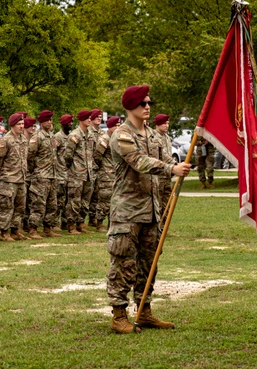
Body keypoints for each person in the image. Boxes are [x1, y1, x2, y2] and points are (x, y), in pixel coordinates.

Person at [106, 86, 192, 334]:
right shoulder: (121, 135)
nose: (147, 106)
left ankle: (144, 311)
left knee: (149, 264)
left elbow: (165, 161)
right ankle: (119, 315)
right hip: (128, 211)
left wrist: (177, 166)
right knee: (124, 263)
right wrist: (170, 169)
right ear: (129, 106)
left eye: (149, 102)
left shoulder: (154, 136)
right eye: (142, 103)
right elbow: (138, 161)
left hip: (153, 211)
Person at [0, 113, 31, 241]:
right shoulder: (6, 140)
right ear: (12, 125)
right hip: (9, 179)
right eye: (19, 124)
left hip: (21, 178)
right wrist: (4, 173)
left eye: (22, 124)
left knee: (20, 207)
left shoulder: (23, 139)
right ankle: (4, 233)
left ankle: (15, 230)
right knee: (7, 207)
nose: (21, 126)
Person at [62, 110, 98, 234]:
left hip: (88, 173)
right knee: (74, 201)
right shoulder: (75, 135)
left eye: (90, 118)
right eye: (87, 118)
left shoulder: (91, 135)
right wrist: (71, 169)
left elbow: (94, 153)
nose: (89, 120)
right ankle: (71, 225)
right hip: (76, 174)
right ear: (81, 120)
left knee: (85, 201)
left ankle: (81, 223)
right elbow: (67, 155)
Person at [27, 110, 61, 239]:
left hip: (52, 175)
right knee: (38, 204)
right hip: (41, 176)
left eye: (51, 120)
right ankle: (33, 229)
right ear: (41, 122)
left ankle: (48, 228)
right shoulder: (37, 137)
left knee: (52, 204)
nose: (50, 122)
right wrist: (35, 170)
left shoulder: (52, 136)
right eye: (47, 120)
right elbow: (30, 156)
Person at [93, 116, 121, 231]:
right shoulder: (104, 139)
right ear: (110, 127)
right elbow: (97, 155)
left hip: (116, 174)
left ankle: (112, 222)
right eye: (116, 126)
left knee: (115, 200)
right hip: (106, 174)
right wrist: (103, 168)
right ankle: (99, 223)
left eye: (119, 126)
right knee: (104, 200)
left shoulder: (117, 138)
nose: (118, 128)